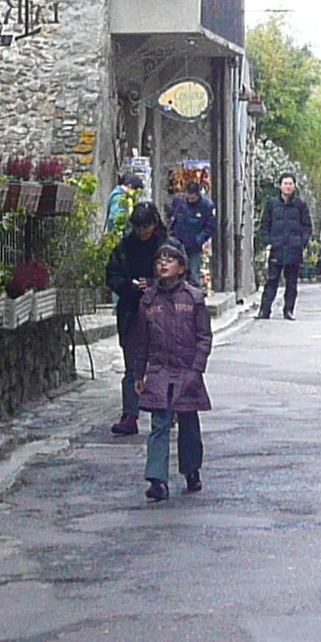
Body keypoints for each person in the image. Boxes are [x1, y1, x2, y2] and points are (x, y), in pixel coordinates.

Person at [132, 242, 212, 502]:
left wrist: (197, 368)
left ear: (181, 266)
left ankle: (191, 470)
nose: (163, 264)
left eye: (169, 259)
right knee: (159, 425)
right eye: (159, 260)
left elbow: (204, 337)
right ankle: (157, 479)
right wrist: (138, 374)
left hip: (187, 370)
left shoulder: (193, 298)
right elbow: (141, 342)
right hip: (158, 372)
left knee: (188, 424)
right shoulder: (148, 301)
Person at [104, 200, 169, 436]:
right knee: (133, 366)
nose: (142, 231)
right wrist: (128, 287)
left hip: (163, 312)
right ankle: (130, 415)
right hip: (132, 312)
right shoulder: (124, 247)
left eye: (146, 226)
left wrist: (153, 284)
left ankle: (164, 411)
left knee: (162, 364)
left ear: (154, 224)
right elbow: (112, 274)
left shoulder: (166, 247)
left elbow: (181, 276)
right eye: (138, 227)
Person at [258, 173, 311, 319]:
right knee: (272, 280)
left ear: (294, 186)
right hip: (277, 248)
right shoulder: (272, 204)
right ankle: (264, 310)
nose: (288, 187)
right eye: (285, 184)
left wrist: (302, 242)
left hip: (294, 249)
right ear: (280, 186)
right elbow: (264, 225)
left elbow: (307, 226)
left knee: (292, 282)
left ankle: (288, 310)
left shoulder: (300, 205)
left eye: (290, 184)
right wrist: (268, 242)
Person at [166, 181, 215, 286]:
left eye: (192, 199)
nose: (190, 200)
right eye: (188, 198)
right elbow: (170, 216)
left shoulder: (206, 206)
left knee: (193, 273)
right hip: (177, 243)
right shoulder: (178, 201)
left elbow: (210, 227)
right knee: (175, 272)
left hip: (194, 245)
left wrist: (199, 239)